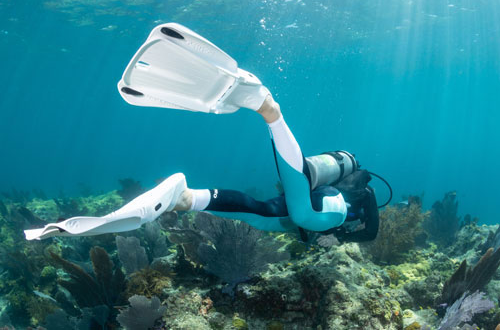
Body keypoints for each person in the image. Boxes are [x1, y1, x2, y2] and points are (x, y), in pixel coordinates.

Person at [24, 23, 382, 243]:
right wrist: (346, 238)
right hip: (322, 212)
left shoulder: (348, 187)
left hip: (297, 211)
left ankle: (187, 198)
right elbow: (370, 234)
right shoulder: (362, 197)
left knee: (259, 211)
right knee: (304, 215)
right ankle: (269, 111)